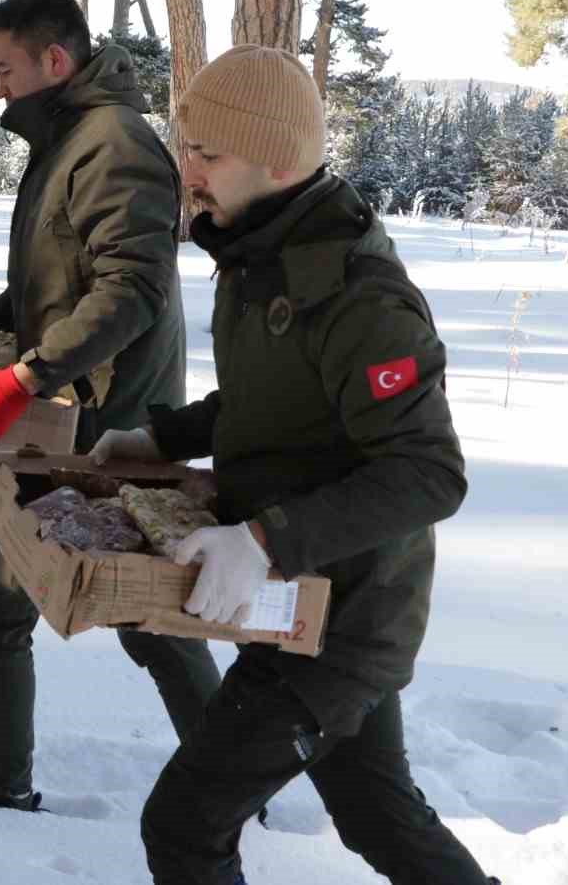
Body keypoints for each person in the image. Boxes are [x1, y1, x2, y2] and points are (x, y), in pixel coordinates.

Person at [91, 46, 493, 884]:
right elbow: (276, 400)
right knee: (376, 812)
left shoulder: (360, 297)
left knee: (185, 823)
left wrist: (263, 541)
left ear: (278, 160)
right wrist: (166, 439)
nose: (186, 170)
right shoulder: (255, 250)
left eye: (208, 153)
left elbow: (428, 472)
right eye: (187, 145)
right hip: (296, 596)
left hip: (344, 617)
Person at [0, 0, 221, 812]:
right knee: (147, 618)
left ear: (56, 59)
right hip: (79, 413)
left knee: (0, 612)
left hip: (111, 427)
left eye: (6, 68)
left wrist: (22, 378)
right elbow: (59, 275)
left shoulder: (111, 144)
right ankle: (237, 781)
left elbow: (130, 293)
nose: (0, 87)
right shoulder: (72, 140)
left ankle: (10, 789)